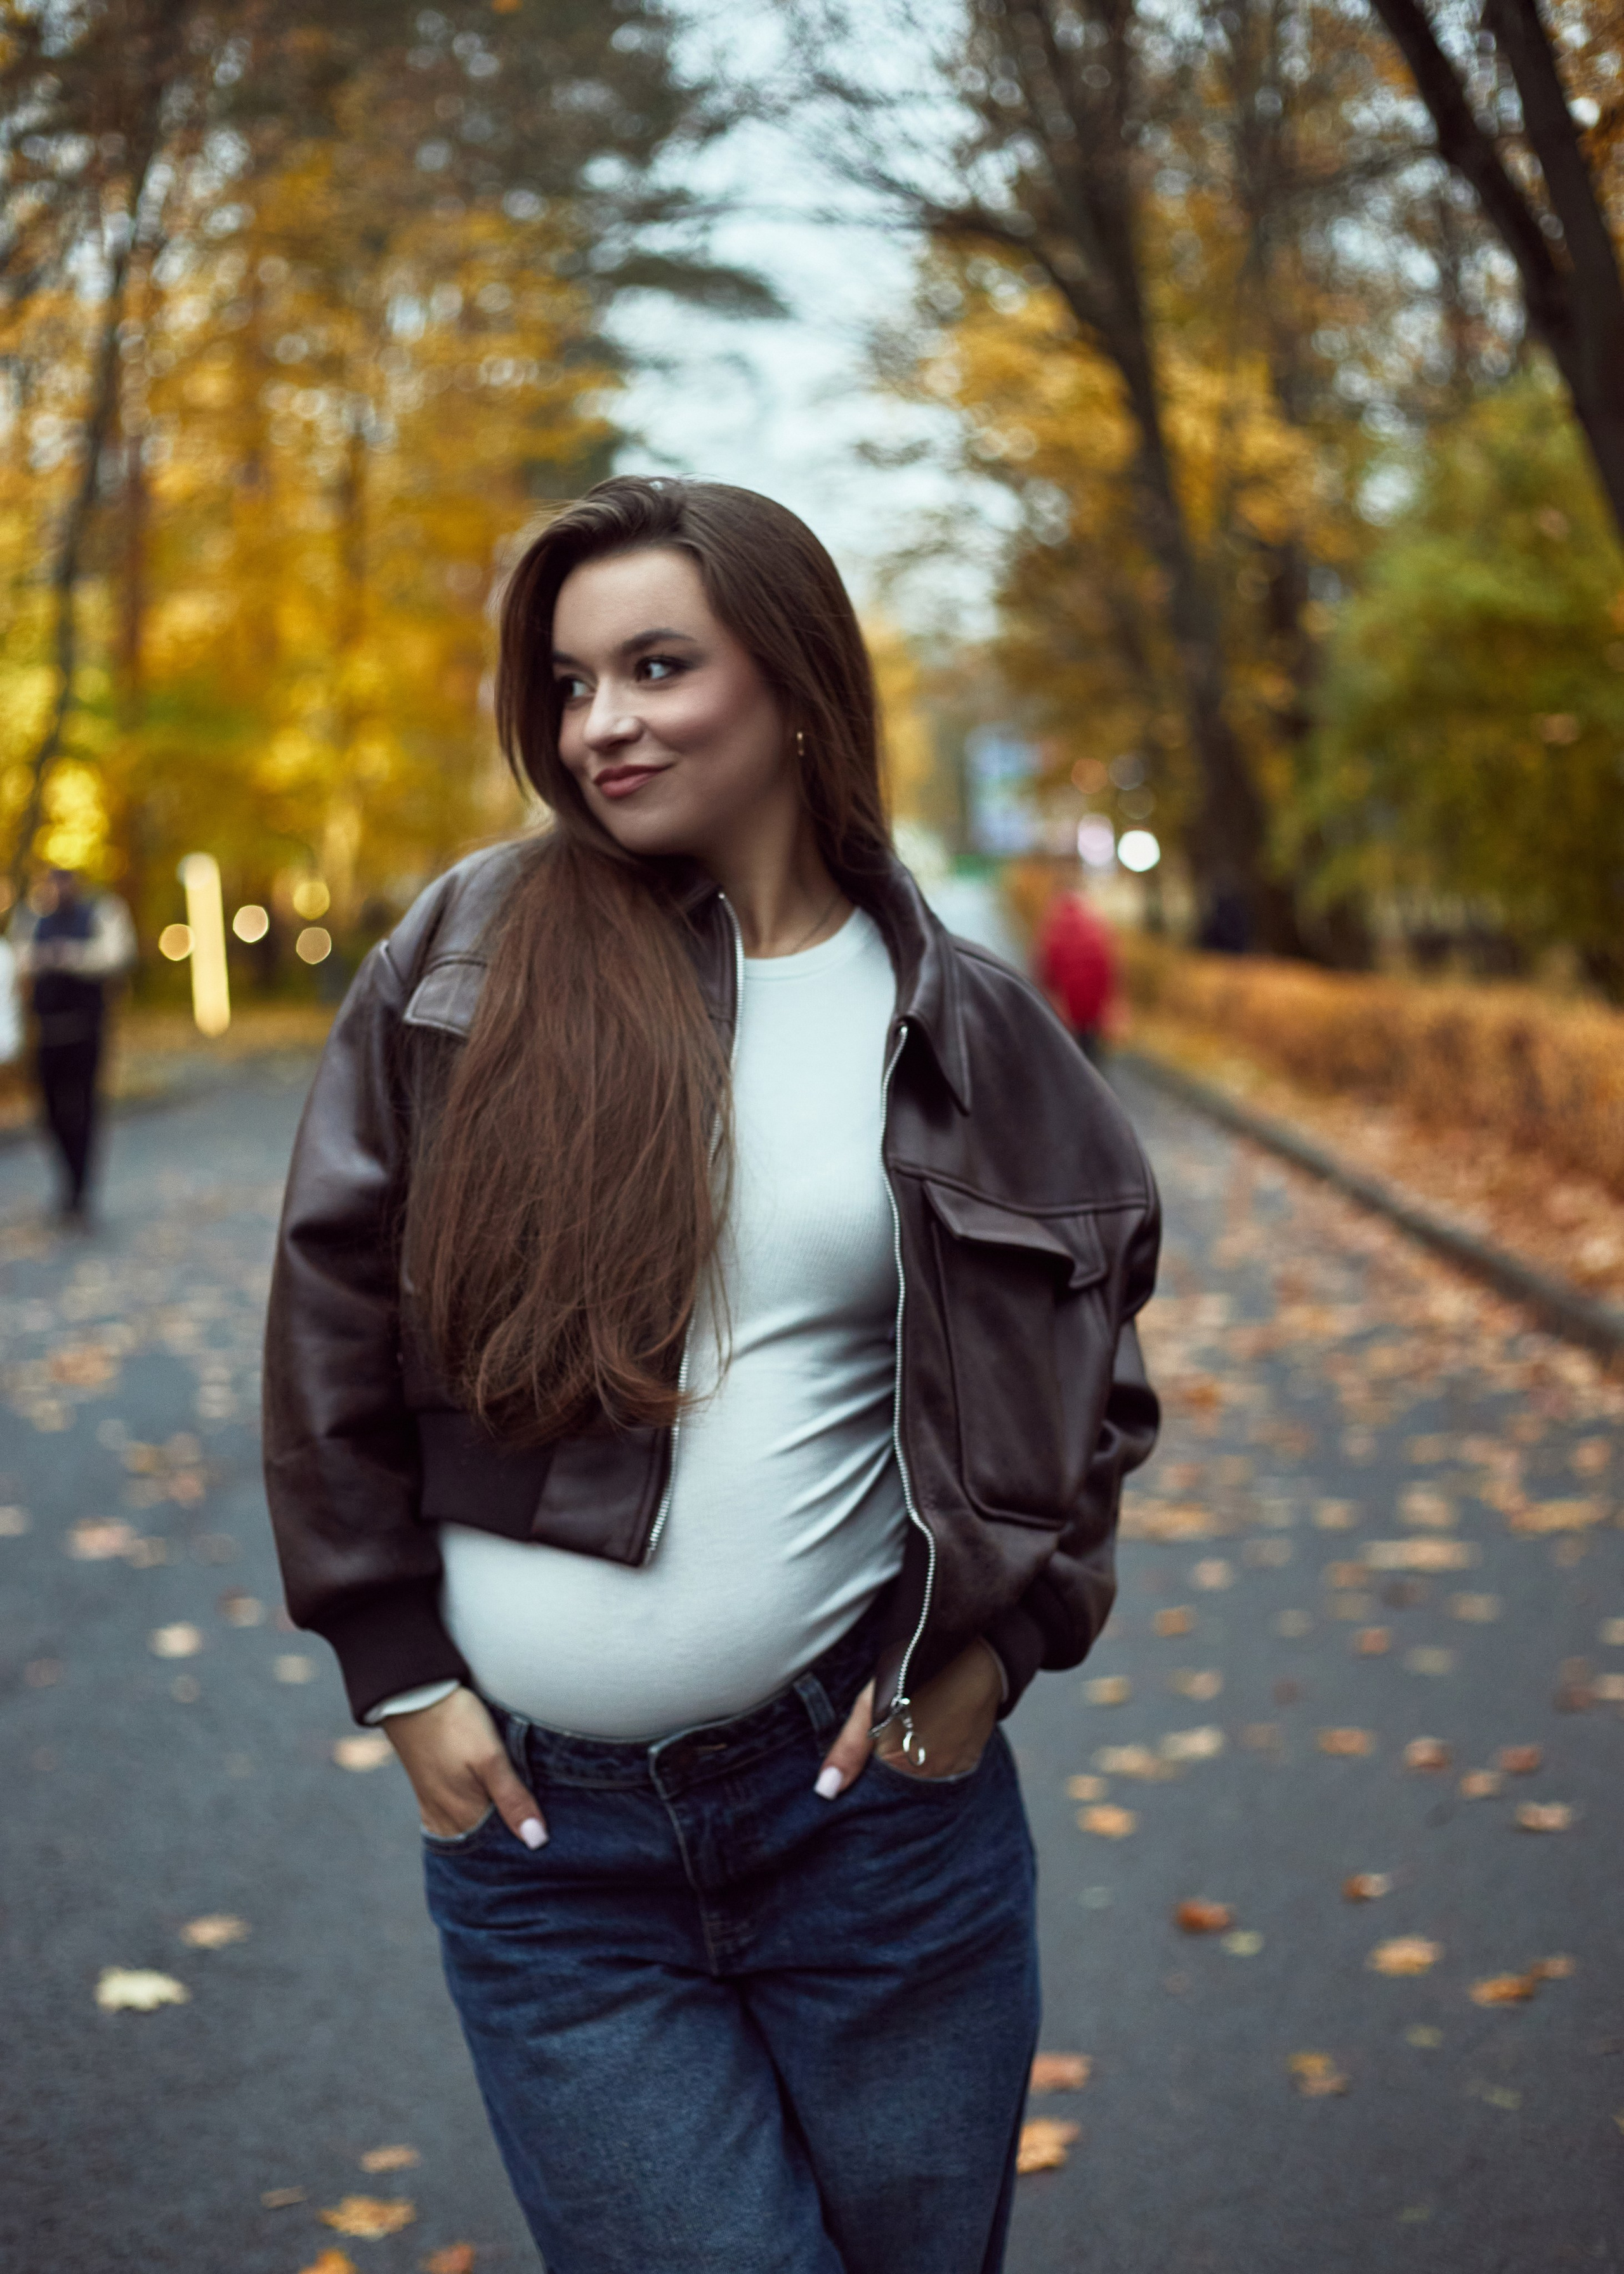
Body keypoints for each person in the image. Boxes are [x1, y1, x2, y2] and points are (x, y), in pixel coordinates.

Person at [263, 476, 1160, 2274]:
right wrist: (398, 1674)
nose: (604, 722)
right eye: (575, 681)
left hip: (876, 1845)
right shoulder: (467, 959)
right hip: (549, 1865)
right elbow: (331, 1315)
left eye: (658, 666)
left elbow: (1093, 1386)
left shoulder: (967, 1025)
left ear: (796, 677)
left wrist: (986, 1652)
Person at [10, 868, 135, 1224]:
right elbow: (18, 958)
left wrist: (71, 958)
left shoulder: (100, 912)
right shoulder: (33, 918)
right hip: (46, 1033)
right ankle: (69, 1182)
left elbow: (117, 954)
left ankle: (79, 1191)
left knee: (84, 1111)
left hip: (86, 1031)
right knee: (50, 1114)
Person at [1035, 874, 1118, 1066]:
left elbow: (1043, 971)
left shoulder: (1052, 927)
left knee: (1071, 1064)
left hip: (1065, 1011)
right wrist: (1111, 1006)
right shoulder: (1097, 924)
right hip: (1093, 1009)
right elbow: (1109, 968)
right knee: (1093, 1063)